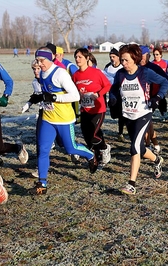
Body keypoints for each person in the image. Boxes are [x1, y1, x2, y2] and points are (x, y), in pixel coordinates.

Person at [28, 47, 98, 195]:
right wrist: (36, 98)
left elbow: (75, 96)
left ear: (50, 59)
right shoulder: (42, 74)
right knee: (43, 150)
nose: (39, 64)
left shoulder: (60, 73)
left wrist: (55, 98)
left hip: (64, 120)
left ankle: (91, 156)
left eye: (42, 61)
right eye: (37, 61)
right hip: (48, 118)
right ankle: (42, 183)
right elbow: (45, 93)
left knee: (70, 149)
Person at [108, 44, 168, 195]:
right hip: (128, 115)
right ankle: (157, 160)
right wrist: (113, 99)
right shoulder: (120, 74)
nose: (123, 63)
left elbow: (165, 82)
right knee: (140, 149)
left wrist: (158, 97)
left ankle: (131, 184)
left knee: (134, 148)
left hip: (143, 114)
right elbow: (114, 88)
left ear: (135, 59)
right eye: (122, 60)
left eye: (126, 60)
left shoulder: (145, 72)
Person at [72, 48, 112, 168]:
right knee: (87, 136)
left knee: (93, 134)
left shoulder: (96, 72)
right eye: (76, 57)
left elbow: (107, 85)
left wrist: (98, 94)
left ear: (87, 58)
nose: (77, 59)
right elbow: (74, 90)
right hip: (85, 109)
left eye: (80, 57)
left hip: (98, 110)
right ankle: (97, 158)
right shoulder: (76, 75)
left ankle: (104, 148)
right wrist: (78, 96)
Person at [140, 45, 168, 153]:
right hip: (140, 101)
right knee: (147, 123)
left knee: (147, 123)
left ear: (148, 56)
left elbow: (167, 81)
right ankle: (152, 144)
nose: (141, 58)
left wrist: (159, 95)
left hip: (153, 98)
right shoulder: (134, 68)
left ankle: (151, 144)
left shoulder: (154, 68)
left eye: (143, 56)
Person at [104, 48, 125, 142]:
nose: (112, 58)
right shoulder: (107, 67)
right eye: (110, 57)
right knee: (114, 114)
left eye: (114, 56)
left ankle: (120, 133)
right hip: (112, 92)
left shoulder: (122, 66)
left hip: (122, 92)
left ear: (118, 57)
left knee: (121, 114)